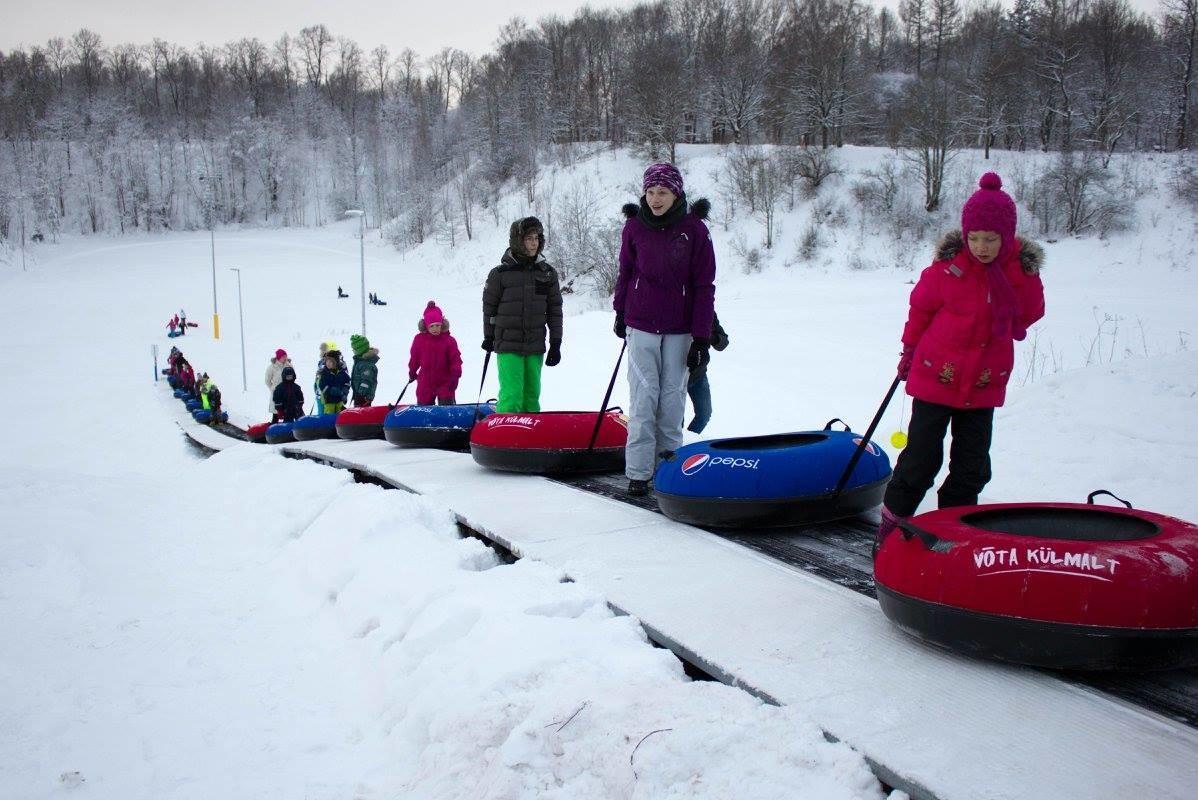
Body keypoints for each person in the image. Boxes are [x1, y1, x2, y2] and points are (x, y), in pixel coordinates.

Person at [878, 173, 1045, 542]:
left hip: (983, 385)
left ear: (1007, 237)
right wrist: (908, 350)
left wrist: (1025, 274)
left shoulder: (1017, 271)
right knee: (920, 462)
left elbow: (1031, 314)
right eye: (974, 238)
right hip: (935, 377)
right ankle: (889, 532)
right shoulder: (947, 270)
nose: (982, 247)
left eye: (991, 239)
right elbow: (919, 311)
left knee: (971, 469)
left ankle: (951, 537)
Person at [614, 163, 716, 496]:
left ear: (676, 193)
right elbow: (626, 273)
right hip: (640, 325)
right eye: (651, 191)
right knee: (643, 399)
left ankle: (669, 470)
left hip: (680, 329)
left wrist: (701, 336)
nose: (656, 199)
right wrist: (620, 311)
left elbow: (704, 285)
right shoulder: (634, 228)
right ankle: (638, 473)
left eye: (663, 192)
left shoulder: (695, 230)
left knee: (672, 401)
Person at [481, 216, 564, 413]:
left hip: (535, 344)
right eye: (528, 238)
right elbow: (489, 308)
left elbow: (554, 310)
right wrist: (489, 336)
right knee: (512, 394)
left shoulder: (547, 273)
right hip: (508, 344)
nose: (534, 243)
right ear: (518, 240)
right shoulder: (500, 274)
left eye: (536, 238)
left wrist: (556, 343)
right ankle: (504, 437)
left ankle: (530, 437)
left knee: (531, 395)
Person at [409, 301, 462, 405]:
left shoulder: (449, 340)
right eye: (431, 326)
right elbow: (414, 358)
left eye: (438, 325)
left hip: (445, 381)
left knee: (447, 409)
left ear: (442, 325)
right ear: (426, 326)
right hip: (425, 381)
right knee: (424, 409)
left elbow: (455, 360)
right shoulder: (419, 340)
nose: (435, 329)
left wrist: (455, 375)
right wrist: (412, 371)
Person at [686, 313, 730, 435]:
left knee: (704, 415)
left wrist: (709, 335)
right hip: (675, 376)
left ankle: (690, 441)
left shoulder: (707, 312)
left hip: (699, 375)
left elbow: (723, 343)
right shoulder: (679, 307)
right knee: (675, 420)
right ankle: (677, 446)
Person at [317, 350, 351, 414]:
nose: (328, 363)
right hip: (329, 401)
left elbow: (348, 382)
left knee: (340, 414)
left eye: (330, 362)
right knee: (329, 414)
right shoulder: (324, 373)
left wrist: (345, 391)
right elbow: (322, 386)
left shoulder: (342, 373)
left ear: (336, 362)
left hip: (339, 400)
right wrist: (331, 390)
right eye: (327, 361)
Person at [350, 334, 380, 407]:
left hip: (364, 398)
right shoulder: (360, 361)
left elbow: (366, 381)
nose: (352, 350)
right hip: (358, 395)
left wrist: (361, 395)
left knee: (362, 415)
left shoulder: (366, 364)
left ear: (359, 350)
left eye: (354, 349)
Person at [265, 349, 292, 418]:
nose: (285, 358)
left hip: (287, 392)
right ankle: (274, 428)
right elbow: (267, 380)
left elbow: (293, 377)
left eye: (285, 356)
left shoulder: (289, 365)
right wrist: (273, 388)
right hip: (277, 394)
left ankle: (286, 428)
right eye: (283, 357)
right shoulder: (272, 367)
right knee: (276, 414)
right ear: (279, 357)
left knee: (287, 414)